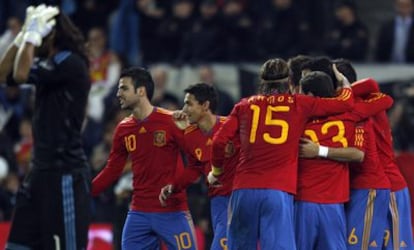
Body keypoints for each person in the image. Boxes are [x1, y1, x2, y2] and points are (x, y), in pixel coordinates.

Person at [207, 58, 354, 249]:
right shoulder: (299, 104)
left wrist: (216, 172)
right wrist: (344, 82)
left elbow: (219, 141)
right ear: (289, 81)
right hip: (277, 191)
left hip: (243, 190)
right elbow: (345, 103)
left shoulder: (244, 106)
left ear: (262, 81)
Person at [0, 5, 92, 250]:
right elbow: (3, 73)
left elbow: (19, 75)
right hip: (38, 173)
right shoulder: (49, 63)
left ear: (50, 33)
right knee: (17, 247)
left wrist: (31, 37)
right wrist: (22, 36)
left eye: (39, 29)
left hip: (65, 175)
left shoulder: (70, 62)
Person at [91, 67, 197, 250]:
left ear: (141, 91)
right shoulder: (123, 129)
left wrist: (190, 131)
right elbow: (112, 170)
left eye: (124, 88)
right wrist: (87, 191)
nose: (118, 93)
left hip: (173, 210)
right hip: (138, 212)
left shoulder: (171, 120)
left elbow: (196, 158)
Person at [159, 83, 239, 250]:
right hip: (217, 200)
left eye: (189, 103)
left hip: (240, 196)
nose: (184, 109)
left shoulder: (231, 127)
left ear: (205, 106)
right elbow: (194, 168)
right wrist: (174, 186)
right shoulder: (189, 135)